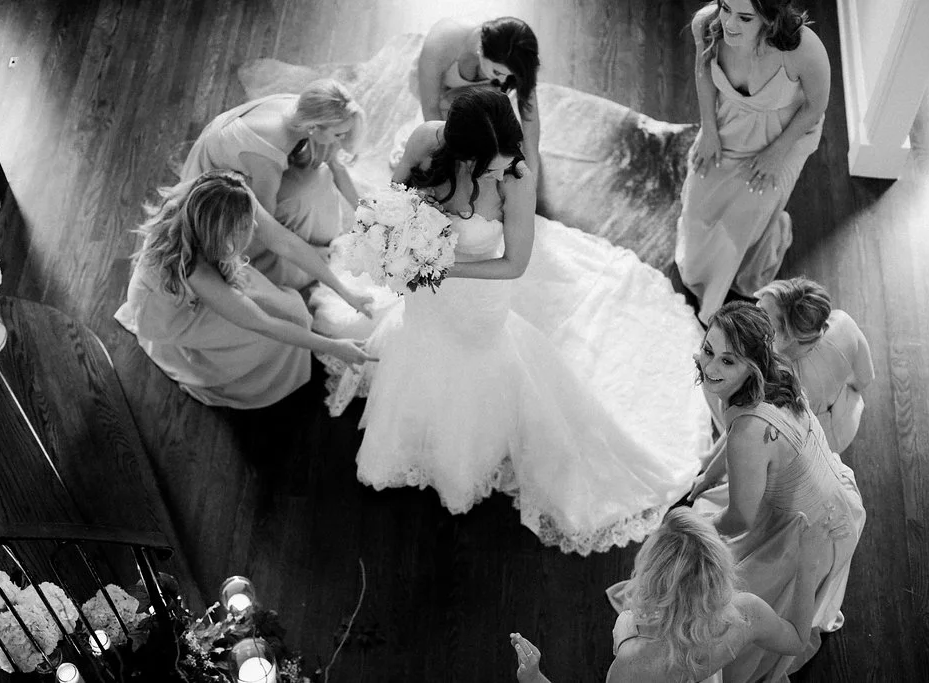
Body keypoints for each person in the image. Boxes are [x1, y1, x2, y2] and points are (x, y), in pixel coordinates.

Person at [315, 89, 708, 554]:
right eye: (492, 166)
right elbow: (391, 200)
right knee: (422, 351)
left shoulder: (515, 179)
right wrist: (397, 242)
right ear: (462, 152)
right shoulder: (426, 140)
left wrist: (440, 265)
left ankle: (461, 461)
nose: (502, 172)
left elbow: (514, 263)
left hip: (476, 299)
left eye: (506, 162)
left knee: (471, 368)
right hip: (423, 294)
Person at [688, 301, 865, 681]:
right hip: (836, 500)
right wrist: (709, 475)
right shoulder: (778, 372)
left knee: (732, 603)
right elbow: (734, 430)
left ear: (752, 365)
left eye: (728, 361)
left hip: (805, 533)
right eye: (708, 350)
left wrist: (691, 530)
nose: (710, 367)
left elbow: (740, 518)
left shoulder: (751, 434)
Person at [114, 171, 375, 409]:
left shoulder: (229, 192)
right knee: (268, 335)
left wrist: (344, 291)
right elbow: (263, 324)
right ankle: (232, 377)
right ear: (220, 235)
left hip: (209, 273)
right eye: (244, 227)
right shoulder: (198, 271)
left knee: (294, 311)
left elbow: (286, 243)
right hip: (171, 312)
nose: (255, 228)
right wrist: (334, 347)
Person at [508, 508, 821, 683]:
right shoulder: (747, 613)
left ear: (654, 579)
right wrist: (808, 567)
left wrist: (534, 678)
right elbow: (796, 639)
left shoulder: (635, 662)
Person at [676, 0, 830, 324]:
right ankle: (703, 272)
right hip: (730, 122)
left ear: (770, 19)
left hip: (785, 135)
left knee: (747, 211)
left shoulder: (805, 49)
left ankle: (742, 265)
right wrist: (709, 130)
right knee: (699, 200)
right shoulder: (706, 24)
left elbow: (815, 107)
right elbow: (703, 72)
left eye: (745, 18)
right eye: (725, 7)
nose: (729, 24)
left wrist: (777, 153)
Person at [182, 78, 374, 302]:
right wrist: (317, 259)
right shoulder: (267, 156)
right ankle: (298, 256)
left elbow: (336, 166)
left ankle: (317, 238)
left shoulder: (304, 110)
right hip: (217, 192)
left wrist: (370, 215)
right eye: (338, 135)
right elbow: (269, 233)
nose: (341, 141)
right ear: (313, 128)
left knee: (319, 177)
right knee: (302, 195)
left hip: (246, 165)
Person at [756, 277, 874, 452]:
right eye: (758, 304)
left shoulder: (772, 379)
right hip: (846, 419)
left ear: (788, 337)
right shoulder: (843, 322)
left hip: (811, 445)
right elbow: (865, 378)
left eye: (761, 318)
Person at [411, 17, 541, 176]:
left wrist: (532, 174)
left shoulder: (518, 58)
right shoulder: (441, 44)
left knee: (505, 146)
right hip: (440, 93)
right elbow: (431, 110)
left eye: (510, 76)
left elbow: (530, 117)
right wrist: (451, 163)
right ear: (481, 51)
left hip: (477, 98)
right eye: (497, 72)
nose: (503, 81)